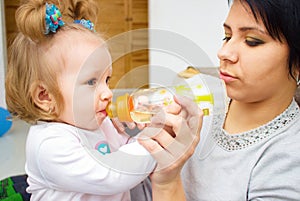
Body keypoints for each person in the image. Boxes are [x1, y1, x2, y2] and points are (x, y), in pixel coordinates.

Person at [4, 0, 198, 200]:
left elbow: (125, 150)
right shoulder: (49, 145)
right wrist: (155, 139)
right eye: (91, 82)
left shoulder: (99, 122)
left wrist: (139, 129)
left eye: (107, 80)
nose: (107, 93)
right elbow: (115, 173)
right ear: (45, 96)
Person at [131, 0, 300, 200]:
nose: (224, 53)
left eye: (252, 41)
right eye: (227, 36)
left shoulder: (289, 157)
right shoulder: (196, 98)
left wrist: (168, 183)